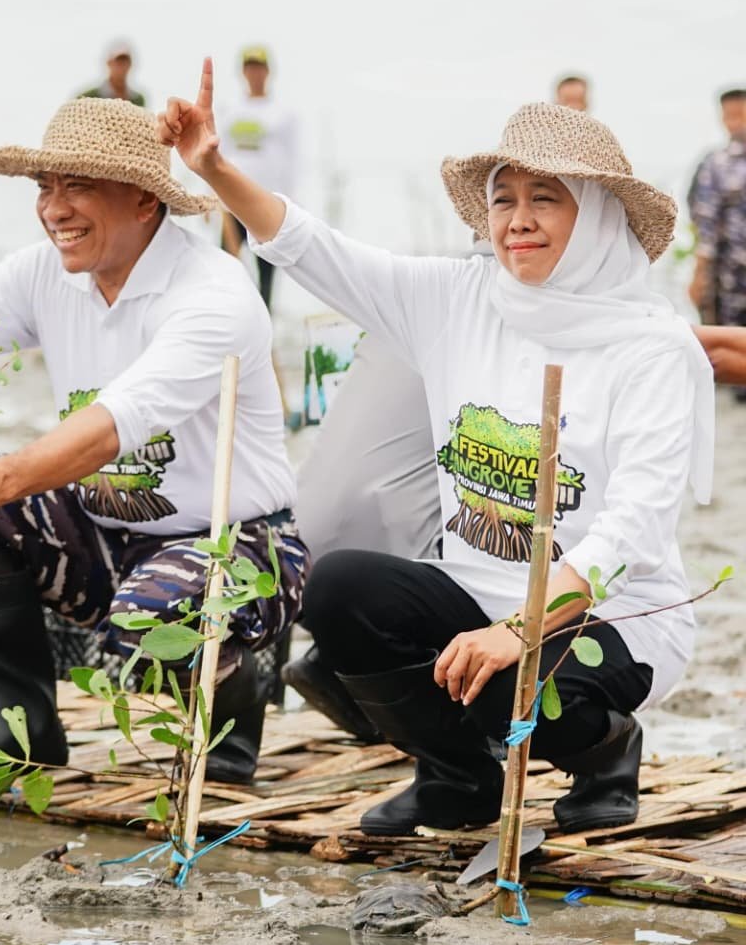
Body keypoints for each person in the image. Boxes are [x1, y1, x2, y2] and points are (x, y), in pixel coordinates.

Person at [161, 61, 712, 836]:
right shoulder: (458, 300)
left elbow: (635, 531)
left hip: (613, 619)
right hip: (472, 595)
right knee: (336, 587)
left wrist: (514, 631)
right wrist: (216, 170)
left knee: (520, 687)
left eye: (544, 200)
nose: (517, 219)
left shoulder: (648, 349)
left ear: (595, 216)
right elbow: (316, 250)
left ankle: (605, 750)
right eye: (504, 200)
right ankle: (456, 779)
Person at [0, 97, 307, 787]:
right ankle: (22, 724)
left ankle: (238, 689)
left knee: (143, 620)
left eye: (78, 186)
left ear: (143, 201)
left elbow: (114, 424)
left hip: (236, 544)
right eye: (45, 188)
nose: (54, 209)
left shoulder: (214, 294)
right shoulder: (41, 271)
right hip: (106, 536)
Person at [216, 46, 299, 311]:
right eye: (250, 67)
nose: (255, 73)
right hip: (232, 206)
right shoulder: (230, 111)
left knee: (266, 278)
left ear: (268, 72)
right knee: (227, 271)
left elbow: (292, 161)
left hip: (267, 204)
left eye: (259, 67)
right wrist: (213, 200)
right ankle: (228, 339)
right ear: (243, 72)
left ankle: (264, 336)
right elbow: (218, 154)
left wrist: (291, 206)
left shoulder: (282, 114)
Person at [688, 89, 746, 336]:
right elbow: (706, 229)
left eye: (741, 114)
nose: (734, 122)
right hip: (728, 285)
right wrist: (699, 277)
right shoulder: (715, 164)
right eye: (728, 115)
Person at [78, 38, 146, 107]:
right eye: (118, 62)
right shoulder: (88, 97)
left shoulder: (138, 99)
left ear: (130, 64)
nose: (122, 67)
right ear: (109, 63)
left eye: (125, 62)